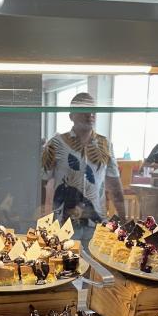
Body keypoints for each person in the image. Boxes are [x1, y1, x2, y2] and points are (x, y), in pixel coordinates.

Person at [42, 92, 125, 243]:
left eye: (93, 110)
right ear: (71, 116)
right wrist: (41, 220)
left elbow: (115, 187)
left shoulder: (105, 144)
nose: (90, 114)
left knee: (95, 258)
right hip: (63, 224)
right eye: (83, 110)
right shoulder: (56, 143)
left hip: (96, 224)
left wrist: (124, 223)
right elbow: (42, 182)